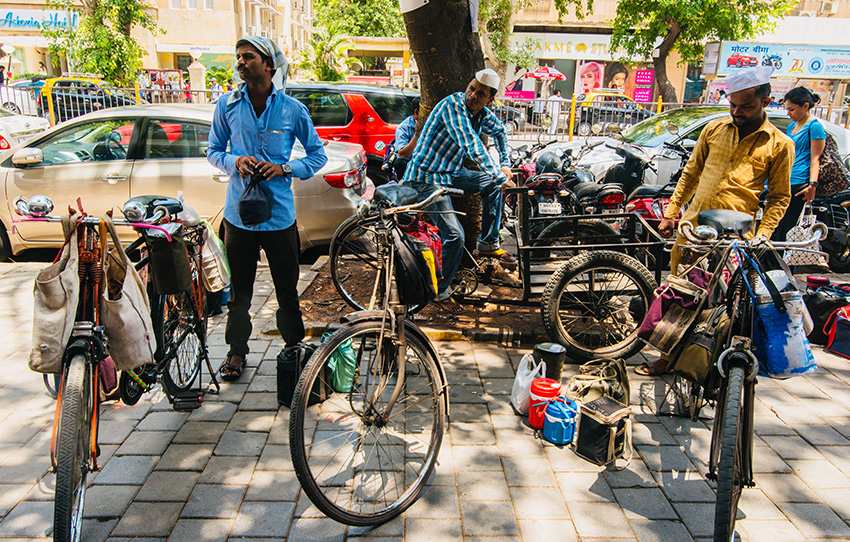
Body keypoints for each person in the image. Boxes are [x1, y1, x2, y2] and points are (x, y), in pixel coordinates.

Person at [636, 66, 794, 376]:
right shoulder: (714, 130)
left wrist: (763, 234)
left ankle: (712, 361)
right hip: (694, 228)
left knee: (726, 303)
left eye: (745, 106)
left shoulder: (779, 144)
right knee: (681, 294)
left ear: (766, 101)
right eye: (733, 105)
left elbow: (779, 198)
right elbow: (690, 174)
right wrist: (672, 213)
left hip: (738, 235)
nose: (737, 112)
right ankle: (667, 357)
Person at [207, 36, 327, 381]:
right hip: (239, 216)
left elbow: (316, 155)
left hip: (279, 217)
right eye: (238, 57)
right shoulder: (227, 105)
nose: (241, 62)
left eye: (248, 57)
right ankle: (236, 353)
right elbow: (214, 151)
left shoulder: (292, 109)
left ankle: (293, 350)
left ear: (268, 65)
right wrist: (235, 161)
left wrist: (285, 168)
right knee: (239, 295)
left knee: (287, 290)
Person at [402, 68, 514, 301]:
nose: (472, 95)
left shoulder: (481, 114)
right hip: (426, 178)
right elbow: (471, 145)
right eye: (472, 88)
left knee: (491, 183)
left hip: (449, 173)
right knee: (455, 236)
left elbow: (501, 132)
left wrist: (504, 164)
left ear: (489, 100)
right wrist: (501, 176)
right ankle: (439, 289)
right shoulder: (452, 106)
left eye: (480, 94)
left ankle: (488, 242)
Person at [772, 86, 826, 241]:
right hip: (785, 180)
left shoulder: (815, 127)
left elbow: (816, 158)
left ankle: (779, 263)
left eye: (792, 109)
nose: (788, 113)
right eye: (787, 109)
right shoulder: (792, 127)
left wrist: (812, 185)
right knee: (775, 225)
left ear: (805, 106)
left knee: (786, 228)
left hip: (800, 184)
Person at [392, 97, 420, 178]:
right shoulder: (404, 127)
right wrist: (417, 135)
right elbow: (402, 153)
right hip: (408, 165)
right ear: (416, 112)